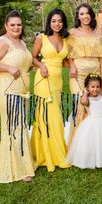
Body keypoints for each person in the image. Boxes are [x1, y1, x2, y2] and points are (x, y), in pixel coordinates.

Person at [0, 11, 35, 183]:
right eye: (12, 25)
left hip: (21, 88)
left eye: (19, 24)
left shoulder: (20, 42)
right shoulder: (3, 42)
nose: (16, 27)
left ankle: (17, 163)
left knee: (18, 124)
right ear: (6, 26)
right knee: (14, 125)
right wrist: (9, 69)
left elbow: (25, 62)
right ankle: (17, 170)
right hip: (7, 88)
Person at [30, 9, 71, 172]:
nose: (57, 24)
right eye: (53, 21)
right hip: (43, 79)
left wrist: (77, 66)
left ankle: (54, 149)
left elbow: (66, 61)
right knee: (48, 115)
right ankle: (48, 154)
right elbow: (32, 57)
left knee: (55, 114)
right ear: (49, 22)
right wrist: (41, 66)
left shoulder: (65, 39)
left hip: (57, 80)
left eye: (60, 21)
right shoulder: (42, 38)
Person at [66, 3, 102, 144]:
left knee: (94, 109)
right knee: (80, 106)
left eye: (87, 13)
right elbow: (68, 54)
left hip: (94, 73)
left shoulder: (98, 32)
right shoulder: (72, 32)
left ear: (91, 15)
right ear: (78, 16)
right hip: (78, 73)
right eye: (81, 14)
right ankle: (77, 144)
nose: (85, 16)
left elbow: (101, 57)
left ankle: (94, 144)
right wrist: (71, 66)